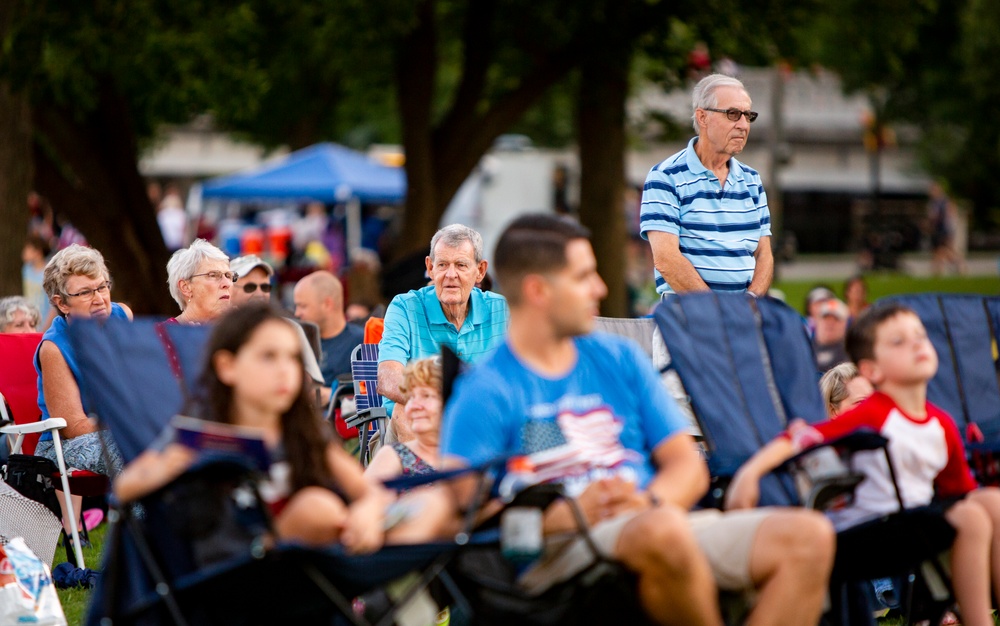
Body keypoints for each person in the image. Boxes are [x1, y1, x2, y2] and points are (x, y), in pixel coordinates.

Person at [442, 214, 835, 626]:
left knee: (809, 537)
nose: (601, 288)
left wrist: (647, 503)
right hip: (562, 548)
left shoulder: (621, 360)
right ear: (538, 290)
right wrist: (568, 515)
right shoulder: (486, 390)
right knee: (661, 531)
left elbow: (687, 467)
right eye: (583, 277)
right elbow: (463, 512)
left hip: (654, 519)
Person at [726, 302, 1000, 626]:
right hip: (864, 532)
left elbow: (960, 491)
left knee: (989, 502)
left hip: (912, 523)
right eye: (898, 341)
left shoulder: (941, 424)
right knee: (973, 515)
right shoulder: (872, 414)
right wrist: (750, 473)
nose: (915, 344)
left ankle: (972, 611)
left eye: (920, 335)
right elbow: (800, 437)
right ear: (872, 370)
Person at [113, 305, 450, 550]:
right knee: (317, 507)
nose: (285, 370)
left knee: (432, 505)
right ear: (227, 367)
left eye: (292, 358)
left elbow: (365, 491)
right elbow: (126, 487)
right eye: (268, 357)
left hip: (311, 558)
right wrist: (176, 461)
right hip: (236, 563)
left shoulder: (301, 431)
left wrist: (366, 513)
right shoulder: (201, 430)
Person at [640, 74, 772, 298]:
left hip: (742, 318)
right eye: (733, 114)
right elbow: (666, 259)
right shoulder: (665, 176)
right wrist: (717, 311)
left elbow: (764, 254)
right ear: (702, 117)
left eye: (748, 116)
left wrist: (751, 302)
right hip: (686, 319)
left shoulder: (752, 180)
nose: (743, 125)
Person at [378, 224, 509, 416]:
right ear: (430, 268)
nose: (450, 275)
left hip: (480, 418)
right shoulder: (404, 307)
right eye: (442, 265)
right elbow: (388, 378)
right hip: (417, 419)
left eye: (461, 265)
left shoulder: (501, 309)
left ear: (480, 271)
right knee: (405, 413)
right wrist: (437, 405)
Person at [35, 244, 132, 476]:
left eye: (102, 287)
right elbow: (74, 427)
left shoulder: (122, 316)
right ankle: (144, 514)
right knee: (132, 450)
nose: (99, 299)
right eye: (86, 292)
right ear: (62, 303)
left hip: (122, 429)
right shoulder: (54, 348)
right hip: (64, 445)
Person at [230, 254, 324, 389]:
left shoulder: (289, 328)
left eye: (265, 287)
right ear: (229, 289)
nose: (259, 293)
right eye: (250, 287)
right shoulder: (219, 329)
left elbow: (310, 382)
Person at [293, 271, 364, 404]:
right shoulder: (296, 342)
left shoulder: (360, 342)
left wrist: (333, 394)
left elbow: (373, 394)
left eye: (303, 306)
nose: (297, 313)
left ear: (327, 304)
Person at [366, 358, 441, 482]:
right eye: (411, 397)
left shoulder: (469, 453)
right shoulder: (394, 456)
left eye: (426, 396)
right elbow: (368, 498)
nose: (413, 405)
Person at [165, 239, 235, 325]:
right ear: (185, 287)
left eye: (228, 276)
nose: (227, 284)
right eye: (213, 275)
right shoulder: (160, 335)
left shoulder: (239, 332)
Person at [927, 182, 966, 276]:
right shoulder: (934, 202)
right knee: (939, 251)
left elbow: (949, 216)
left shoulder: (944, 202)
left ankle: (958, 266)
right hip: (938, 230)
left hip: (944, 230)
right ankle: (938, 272)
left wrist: (951, 229)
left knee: (942, 251)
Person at [22, 235, 53, 329]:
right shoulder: (26, 269)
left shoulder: (49, 272)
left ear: (38, 252)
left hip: (45, 322)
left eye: (28, 249)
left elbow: (53, 306)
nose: (24, 252)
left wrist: (45, 328)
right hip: (30, 321)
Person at [812, 298, 850, 373]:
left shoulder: (851, 352)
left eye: (836, 319)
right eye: (825, 318)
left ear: (845, 324)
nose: (830, 323)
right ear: (817, 321)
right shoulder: (804, 348)